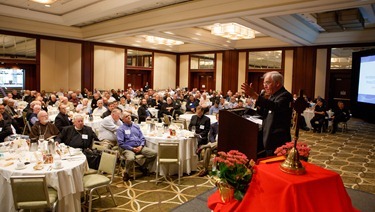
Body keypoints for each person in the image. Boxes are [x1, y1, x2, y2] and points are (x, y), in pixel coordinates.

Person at [241, 71, 293, 157]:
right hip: (268, 137)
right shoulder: (273, 96)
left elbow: (275, 106)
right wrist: (257, 99)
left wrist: (255, 95)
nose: (264, 86)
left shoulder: (285, 96)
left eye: (267, 83)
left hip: (278, 140)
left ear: (277, 83)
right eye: (264, 83)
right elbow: (263, 113)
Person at [117, 111, 157, 181]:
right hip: (128, 149)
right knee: (131, 158)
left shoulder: (136, 126)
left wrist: (141, 146)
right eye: (126, 116)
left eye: (129, 115)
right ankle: (126, 172)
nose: (129, 117)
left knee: (153, 154)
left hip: (139, 147)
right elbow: (121, 143)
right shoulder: (121, 129)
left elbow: (142, 138)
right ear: (122, 119)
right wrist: (132, 148)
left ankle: (143, 167)